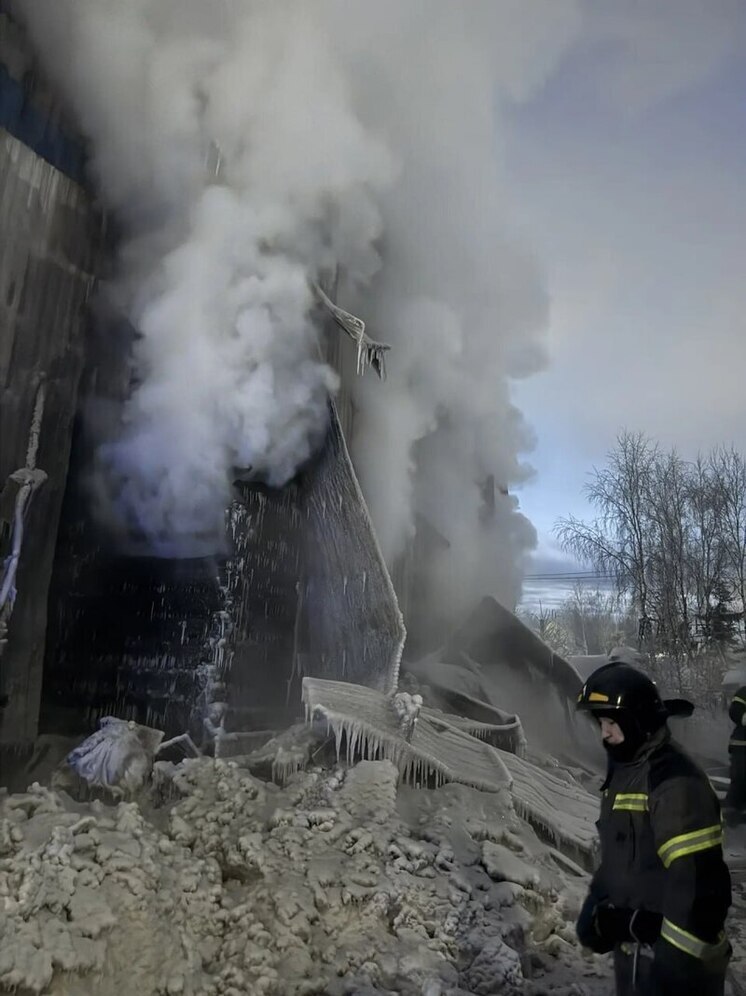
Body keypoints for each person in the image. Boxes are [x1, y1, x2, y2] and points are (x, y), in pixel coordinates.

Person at [575, 661, 732, 996]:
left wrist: (672, 964)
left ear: (638, 722)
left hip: (678, 971)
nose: (604, 733)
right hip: (638, 964)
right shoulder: (627, 772)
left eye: (611, 722)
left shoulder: (674, 783)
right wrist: (597, 903)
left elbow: (699, 890)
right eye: (601, 723)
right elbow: (621, 853)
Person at [725, 683, 746, 822]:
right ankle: (733, 812)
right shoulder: (744, 692)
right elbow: (735, 711)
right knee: (740, 777)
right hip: (742, 746)